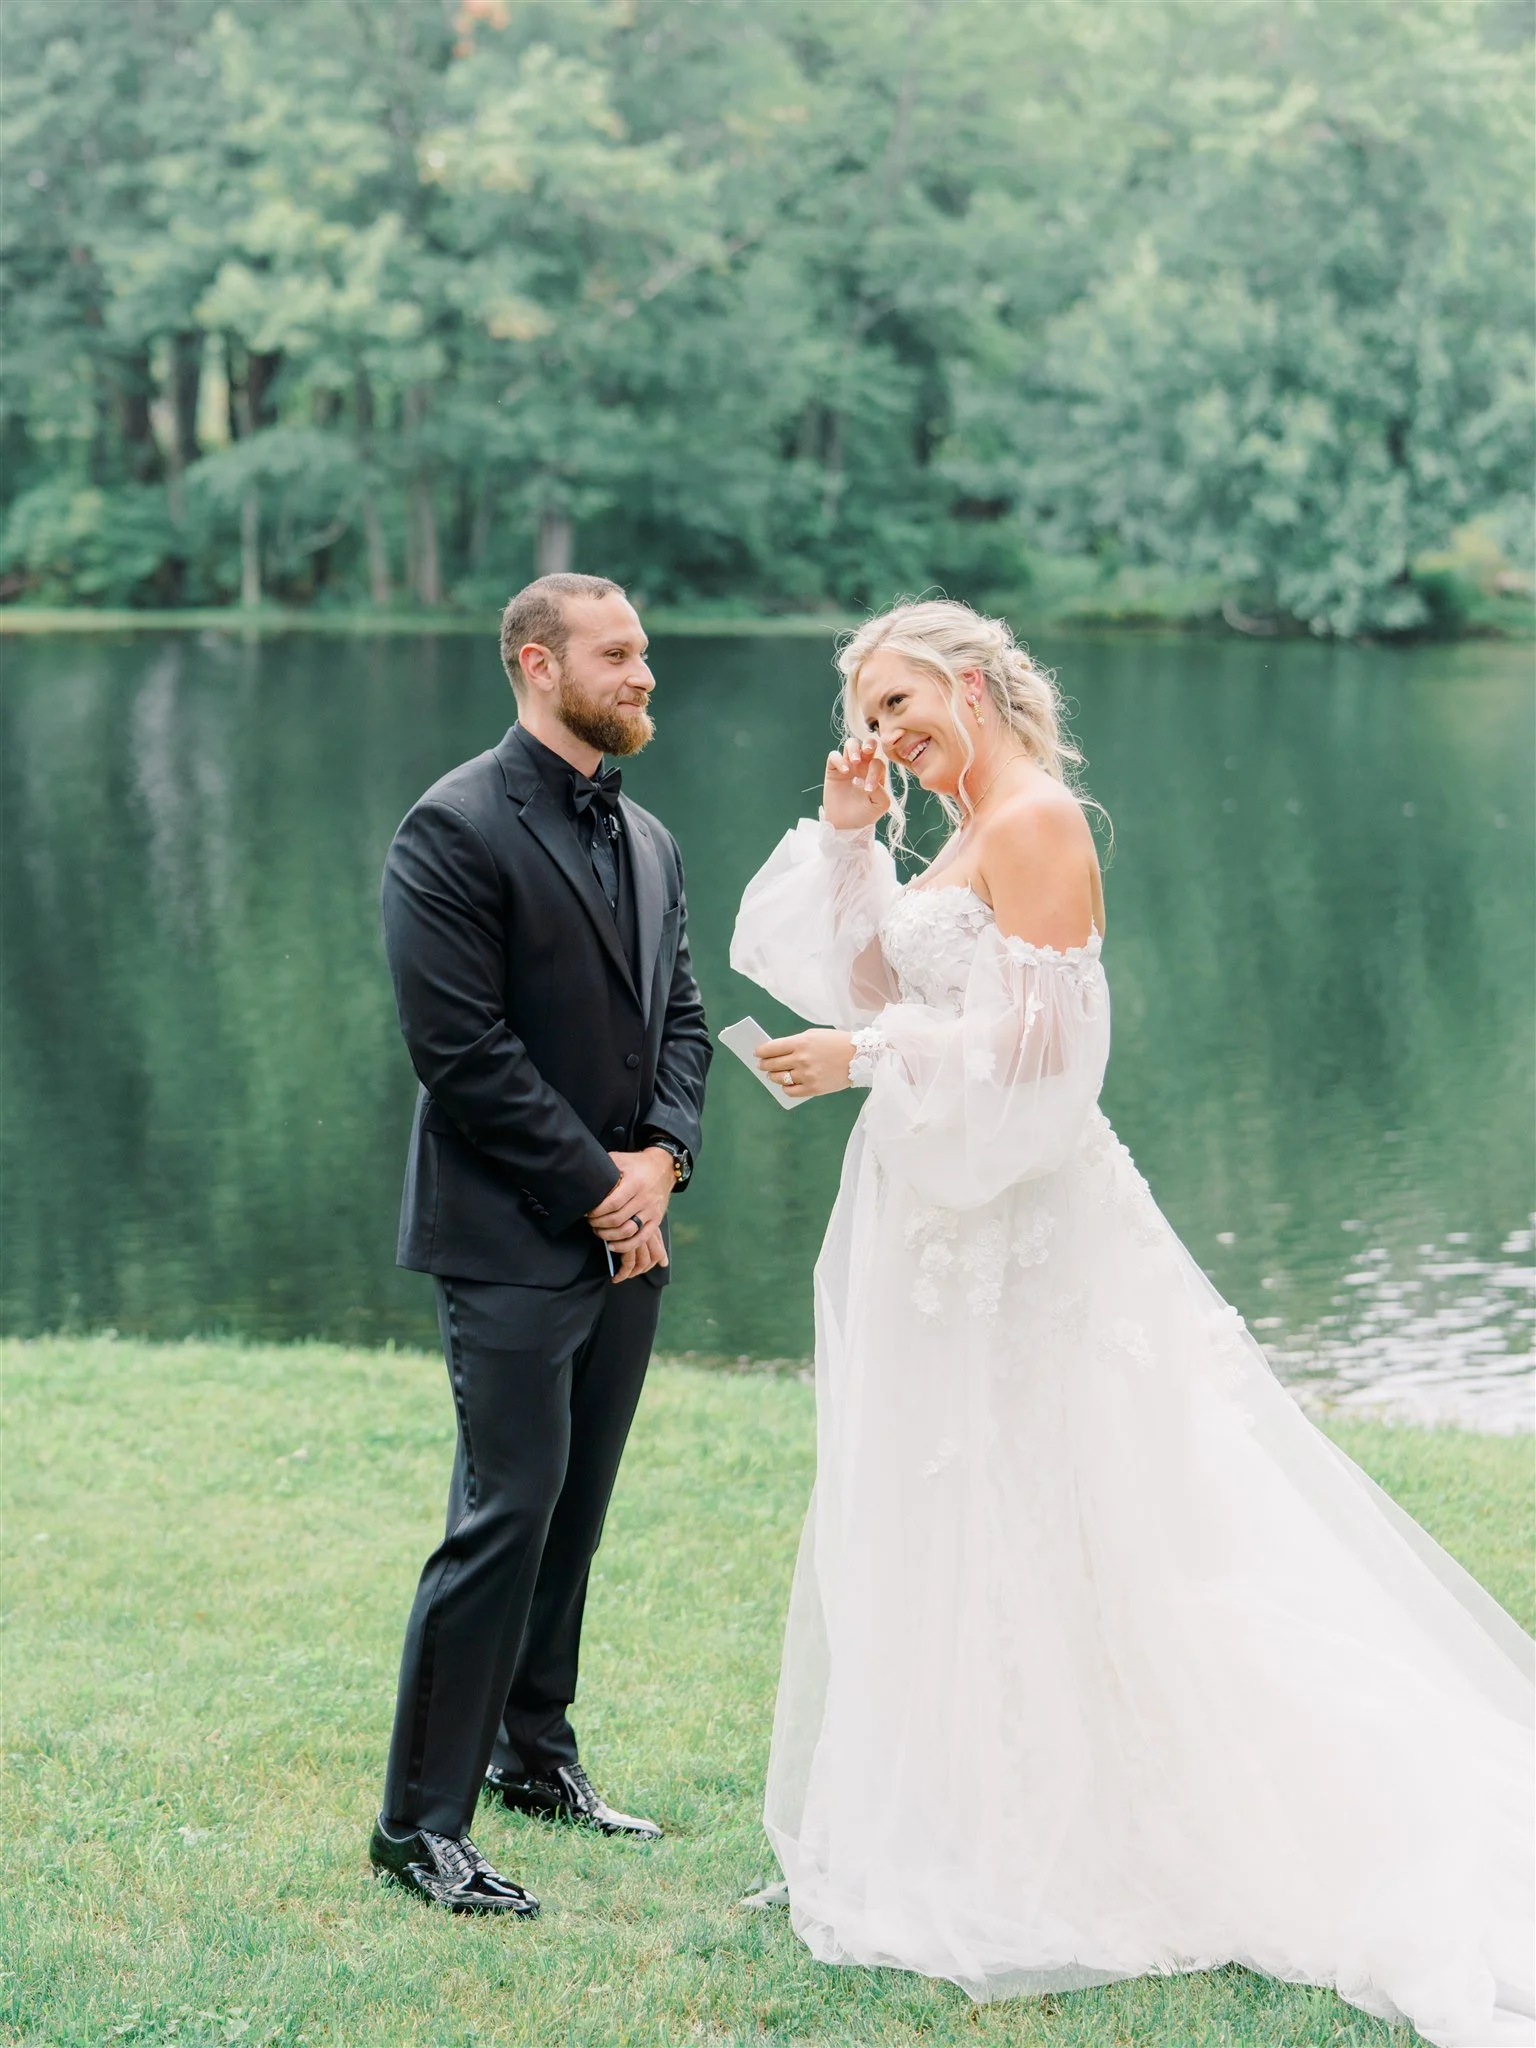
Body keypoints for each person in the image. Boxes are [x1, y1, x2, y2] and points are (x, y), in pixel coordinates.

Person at [729, 597, 1534, 2046]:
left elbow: (1054, 1066)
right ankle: (985, 1814)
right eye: (869, 721)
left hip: (1031, 1238)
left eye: (903, 705)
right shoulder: (959, 826)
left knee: (1090, 1506)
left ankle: (1138, 1826)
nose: (887, 738)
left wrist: (873, 1058)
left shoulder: (1038, 821)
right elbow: (865, 985)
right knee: (961, 1502)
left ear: (972, 684)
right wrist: (851, 843)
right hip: (941, 1218)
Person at [369, 572, 711, 1915]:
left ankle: (537, 1761)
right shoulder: (449, 828)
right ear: (535, 664)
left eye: (645, 651)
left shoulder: (655, 841)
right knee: (502, 1517)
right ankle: (416, 1828)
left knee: (574, 1514)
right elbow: (461, 1053)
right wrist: (597, 1190)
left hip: (629, 1236)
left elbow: (681, 1020)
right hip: (510, 1235)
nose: (642, 674)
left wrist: (663, 1166)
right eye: (618, 654)